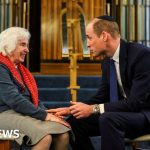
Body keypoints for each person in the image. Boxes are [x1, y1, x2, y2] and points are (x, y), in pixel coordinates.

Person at [48, 15, 150, 150]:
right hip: (122, 114)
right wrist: (72, 111)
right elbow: (102, 96)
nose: (88, 44)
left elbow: (136, 103)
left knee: (108, 119)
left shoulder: (142, 55)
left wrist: (92, 109)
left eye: (89, 38)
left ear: (104, 36)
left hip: (144, 115)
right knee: (75, 122)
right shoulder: (107, 61)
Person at [0, 27, 71, 150]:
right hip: (3, 114)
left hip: (20, 113)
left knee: (62, 134)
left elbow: (32, 99)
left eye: (27, 45)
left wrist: (48, 112)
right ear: (9, 45)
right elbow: (13, 99)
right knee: (44, 136)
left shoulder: (21, 70)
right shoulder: (1, 67)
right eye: (22, 45)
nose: (27, 50)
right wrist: (44, 116)